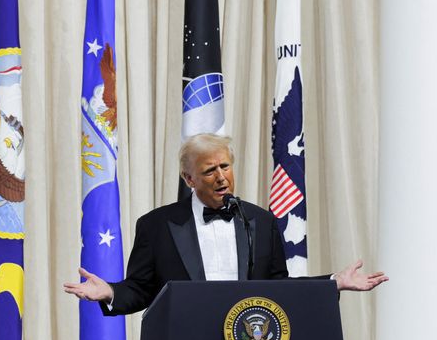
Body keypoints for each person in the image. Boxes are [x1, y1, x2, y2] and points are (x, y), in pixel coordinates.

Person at [64, 133, 387, 313]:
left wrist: (333, 282)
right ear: (189, 178)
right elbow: (142, 290)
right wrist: (109, 292)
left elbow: (277, 287)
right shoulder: (157, 225)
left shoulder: (259, 221)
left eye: (225, 166)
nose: (221, 177)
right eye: (209, 170)